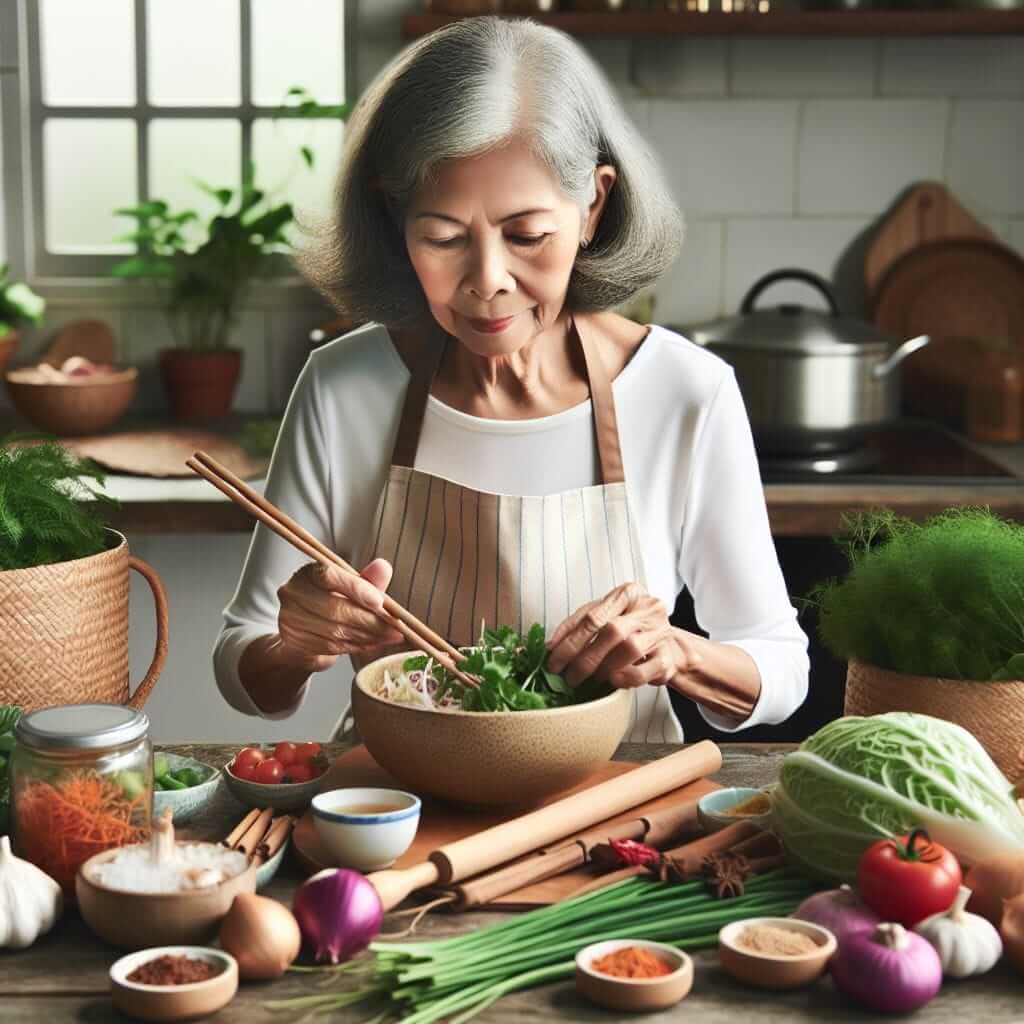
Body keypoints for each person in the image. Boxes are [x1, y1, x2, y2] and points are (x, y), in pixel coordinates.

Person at [213, 16, 809, 742]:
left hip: (616, 813)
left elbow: (780, 667)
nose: (487, 281)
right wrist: (296, 644)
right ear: (395, 220)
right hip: (401, 808)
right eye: (443, 237)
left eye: (527, 235)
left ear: (594, 205)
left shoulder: (684, 391)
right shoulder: (346, 386)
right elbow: (244, 668)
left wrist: (676, 653)